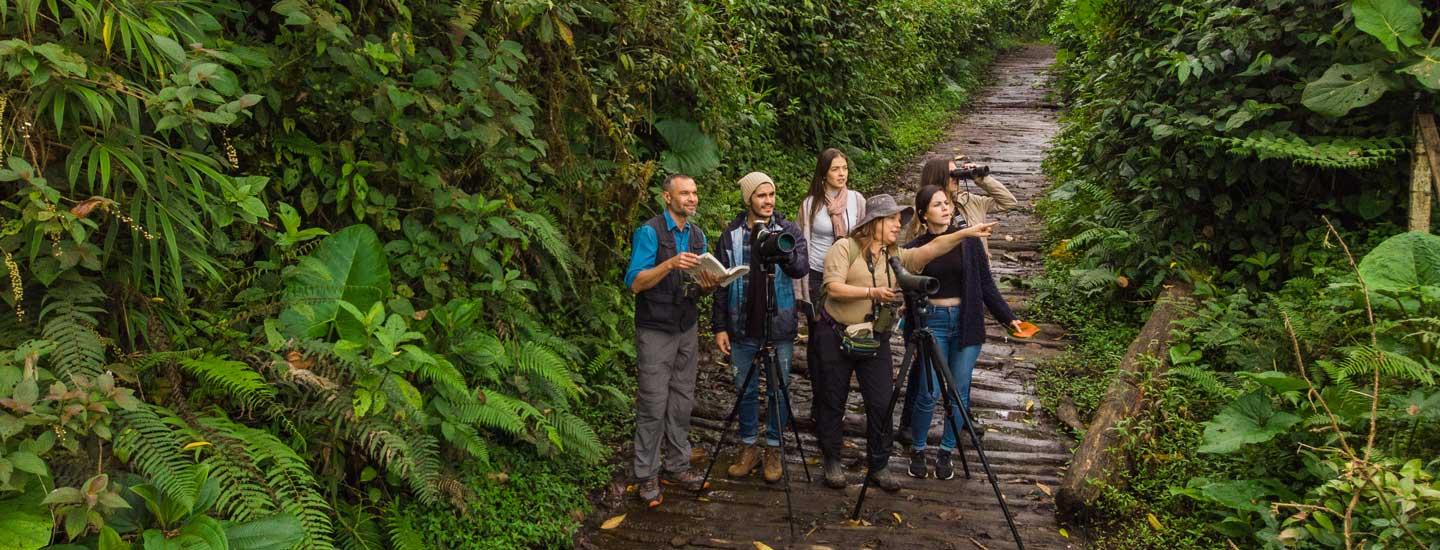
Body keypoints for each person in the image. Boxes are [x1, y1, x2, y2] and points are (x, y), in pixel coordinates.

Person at [811, 194, 996, 491]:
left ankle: (879, 465)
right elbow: (832, 288)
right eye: (893, 220)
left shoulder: (896, 255)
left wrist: (965, 233)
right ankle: (832, 459)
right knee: (833, 400)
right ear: (874, 223)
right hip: (836, 334)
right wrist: (873, 293)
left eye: (900, 220)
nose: (899, 225)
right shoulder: (844, 248)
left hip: (874, 337)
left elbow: (933, 248)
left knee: (882, 401)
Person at [901, 184, 1025, 480]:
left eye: (947, 203)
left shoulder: (969, 244)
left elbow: (985, 285)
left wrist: (1008, 318)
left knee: (959, 392)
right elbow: (908, 294)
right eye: (937, 204)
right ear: (923, 214)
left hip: (966, 321)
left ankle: (946, 452)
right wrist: (911, 336)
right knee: (929, 392)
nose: (945, 208)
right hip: (933, 323)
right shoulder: (915, 249)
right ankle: (918, 449)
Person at [624, 173, 721, 508]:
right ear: (667, 197)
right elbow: (635, 282)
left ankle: (676, 464)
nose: (692, 199)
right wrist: (669, 263)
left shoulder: (697, 235)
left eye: (695, 193)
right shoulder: (650, 232)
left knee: (682, 399)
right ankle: (646, 474)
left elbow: (697, 280)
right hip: (655, 329)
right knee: (652, 403)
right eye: (684, 193)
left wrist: (709, 284)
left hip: (686, 326)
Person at [711, 172, 808, 483]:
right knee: (745, 389)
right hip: (741, 323)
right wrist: (720, 326)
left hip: (778, 324)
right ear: (748, 199)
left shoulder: (788, 230)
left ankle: (774, 447)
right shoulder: (730, 235)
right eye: (761, 196)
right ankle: (749, 445)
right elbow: (722, 283)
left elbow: (800, 269)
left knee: (779, 389)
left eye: (772, 194)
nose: (768, 201)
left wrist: (781, 250)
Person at [921, 154, 1017, 256]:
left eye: (956, 172)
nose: (956, 177)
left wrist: (982, 179)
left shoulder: (968, 200)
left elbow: (1008, 202)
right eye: (951, 174)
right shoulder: (924, 210)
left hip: (977, 268)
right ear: (937, 177)